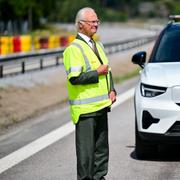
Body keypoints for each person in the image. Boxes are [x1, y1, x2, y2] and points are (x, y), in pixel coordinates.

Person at [63, 7, 116, 180]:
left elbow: (107, 69)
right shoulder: (74, 49)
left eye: (97, 21)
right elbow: (74, 78)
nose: (96, 25)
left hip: (101, 107)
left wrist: (112, 89)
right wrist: (97, 73)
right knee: (86, 158)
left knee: (101, 154)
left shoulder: (97, 45)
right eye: (92, 22)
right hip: (85, 111)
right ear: (80, 25)